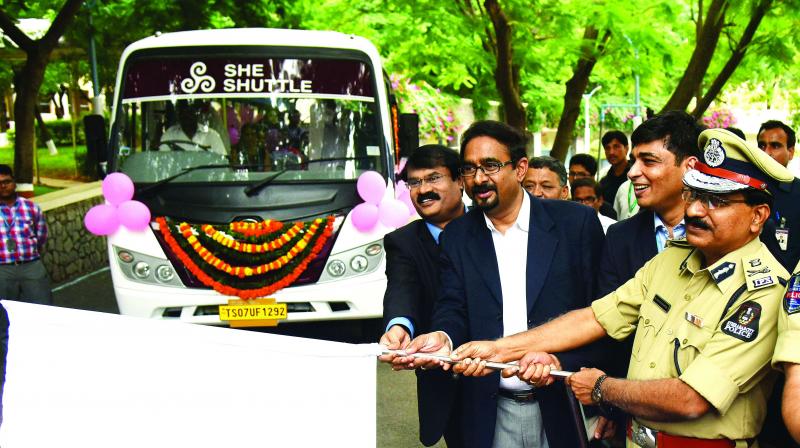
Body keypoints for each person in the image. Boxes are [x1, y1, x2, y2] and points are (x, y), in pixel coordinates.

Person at [452, 128, 794, 447]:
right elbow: (596, 318)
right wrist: (499, 349)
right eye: (696, 195)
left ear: (758, 216)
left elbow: (692, 399)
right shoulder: (672, 260)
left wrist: (602, 388)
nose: (694, 211)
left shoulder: (762, 293)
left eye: (716, 202)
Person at [399, 120, 606, 448]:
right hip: (490, 413)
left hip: (564, 405)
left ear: (520, 168)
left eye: (491, 166)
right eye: (469, 169)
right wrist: (443, 337)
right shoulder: (457, 236)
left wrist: (559, 362)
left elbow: (604, 313)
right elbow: (453, 306)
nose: (479, 178)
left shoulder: (574, 224)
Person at [378, 144, 466, 447]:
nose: (423, 190)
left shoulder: (491, 228)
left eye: (434, 179)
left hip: (505, 373)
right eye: (414, 182)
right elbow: (403, 288)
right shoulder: (403, 242)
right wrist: (398, 327)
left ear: (461, 181)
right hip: (448, 382)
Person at [598, 111, 704, 296]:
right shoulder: (619, 238)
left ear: (690, 167)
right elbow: (607, 315)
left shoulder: (725, 230)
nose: (632, 172)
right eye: (634, 161)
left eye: (648, 161)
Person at [0, 165, 52, 305]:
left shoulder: (30, 207)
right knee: (5, 315)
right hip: (2, 270)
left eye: (7, 181)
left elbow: (41, 236)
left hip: (31, 266)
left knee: (43, 308)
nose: (3, 186)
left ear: (14, 182)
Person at [757, 120, 799, 272]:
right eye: (761, 146)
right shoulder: (742, 188)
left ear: (791, 151)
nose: (766, 152)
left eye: (775, 146)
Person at [159, 100, 227, 154]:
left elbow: (222, 163)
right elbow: (164, 162)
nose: (187, 116)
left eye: (191, 112)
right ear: (178, 115)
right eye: (184, 112)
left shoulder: (211, 136)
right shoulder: (169, 135)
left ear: (196, 114)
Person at [570, 153, 617, 220]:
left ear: (592, 177)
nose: (575, 178)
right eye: (572, 173)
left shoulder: (607, 211)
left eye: (581, 174)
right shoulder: (564, 205)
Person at [598, 130, 631, 205]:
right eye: (607, 148)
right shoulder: (603, 184)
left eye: (616, 147)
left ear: (626, 148)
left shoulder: (635, 175)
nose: (611, 152)